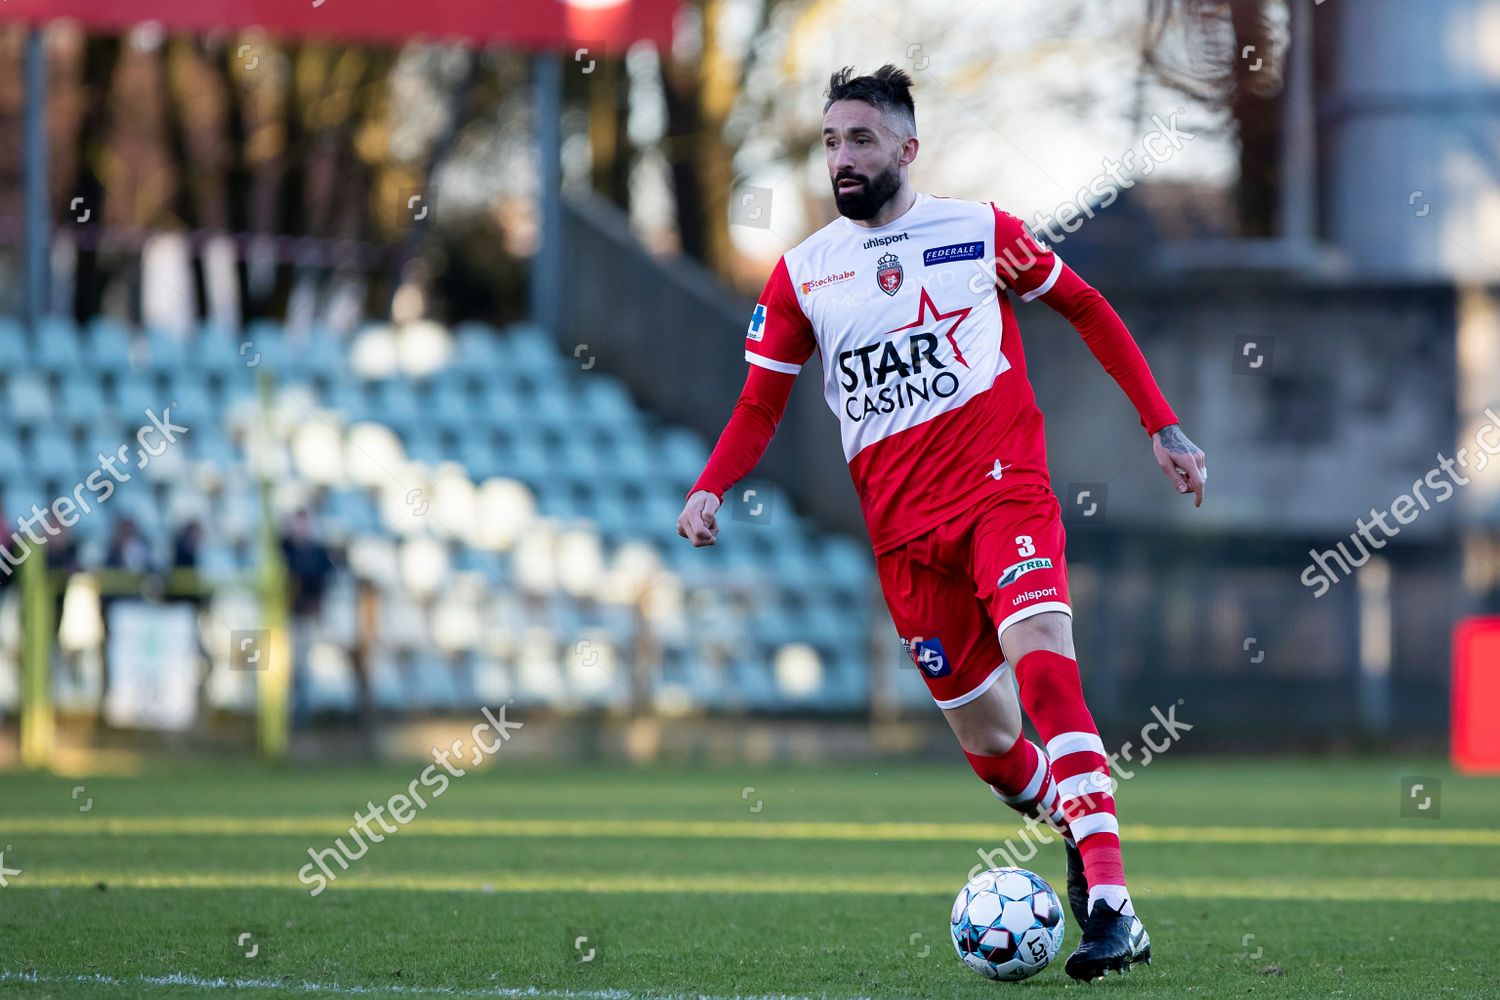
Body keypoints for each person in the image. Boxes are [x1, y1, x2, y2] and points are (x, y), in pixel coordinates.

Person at [676, 66, 1207, 980]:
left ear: (906, 149)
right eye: (832, 141)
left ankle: (1115, 911)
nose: (842, 157)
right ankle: (1073, 820)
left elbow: (1085, 304)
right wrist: (711, 486)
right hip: (904, 541)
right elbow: (761, 405)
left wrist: (1161, 421)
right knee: (997, 754)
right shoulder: (804, 272)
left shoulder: (978, 232)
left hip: (1004, 495)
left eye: (862, 140)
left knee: (1044, 665)